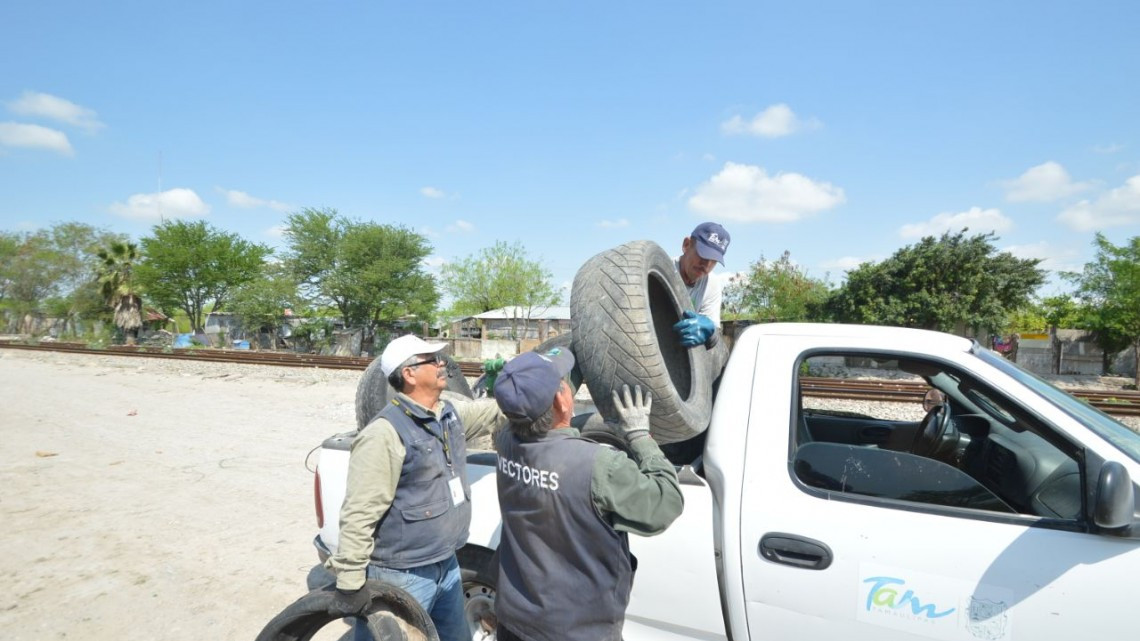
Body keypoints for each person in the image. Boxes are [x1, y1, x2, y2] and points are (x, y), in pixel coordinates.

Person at [491, 348, 684, 641]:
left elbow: (527, 404)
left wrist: (587, 345)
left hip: (514, 620)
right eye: (563, 383)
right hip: (577, 630)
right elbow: (665, 503)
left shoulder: (506, 440)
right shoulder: (597, 465)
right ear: (561, 399)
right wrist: (640, 437)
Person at [324, 334, 480, 641]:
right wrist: (351, 582)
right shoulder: (384, 434)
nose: (441, 364)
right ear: (409, 374)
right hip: (401, 575)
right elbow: (360, 511)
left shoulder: (448, 415)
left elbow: (491, 413)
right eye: (432, 360)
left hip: (446, 563)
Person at [672, 221, 731, 348]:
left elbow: (713, 334)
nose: (707, 265)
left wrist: (710, 332)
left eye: (714, 261)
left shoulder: (712, 284)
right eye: (703, 255)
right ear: (686, 245)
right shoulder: (663, 271)